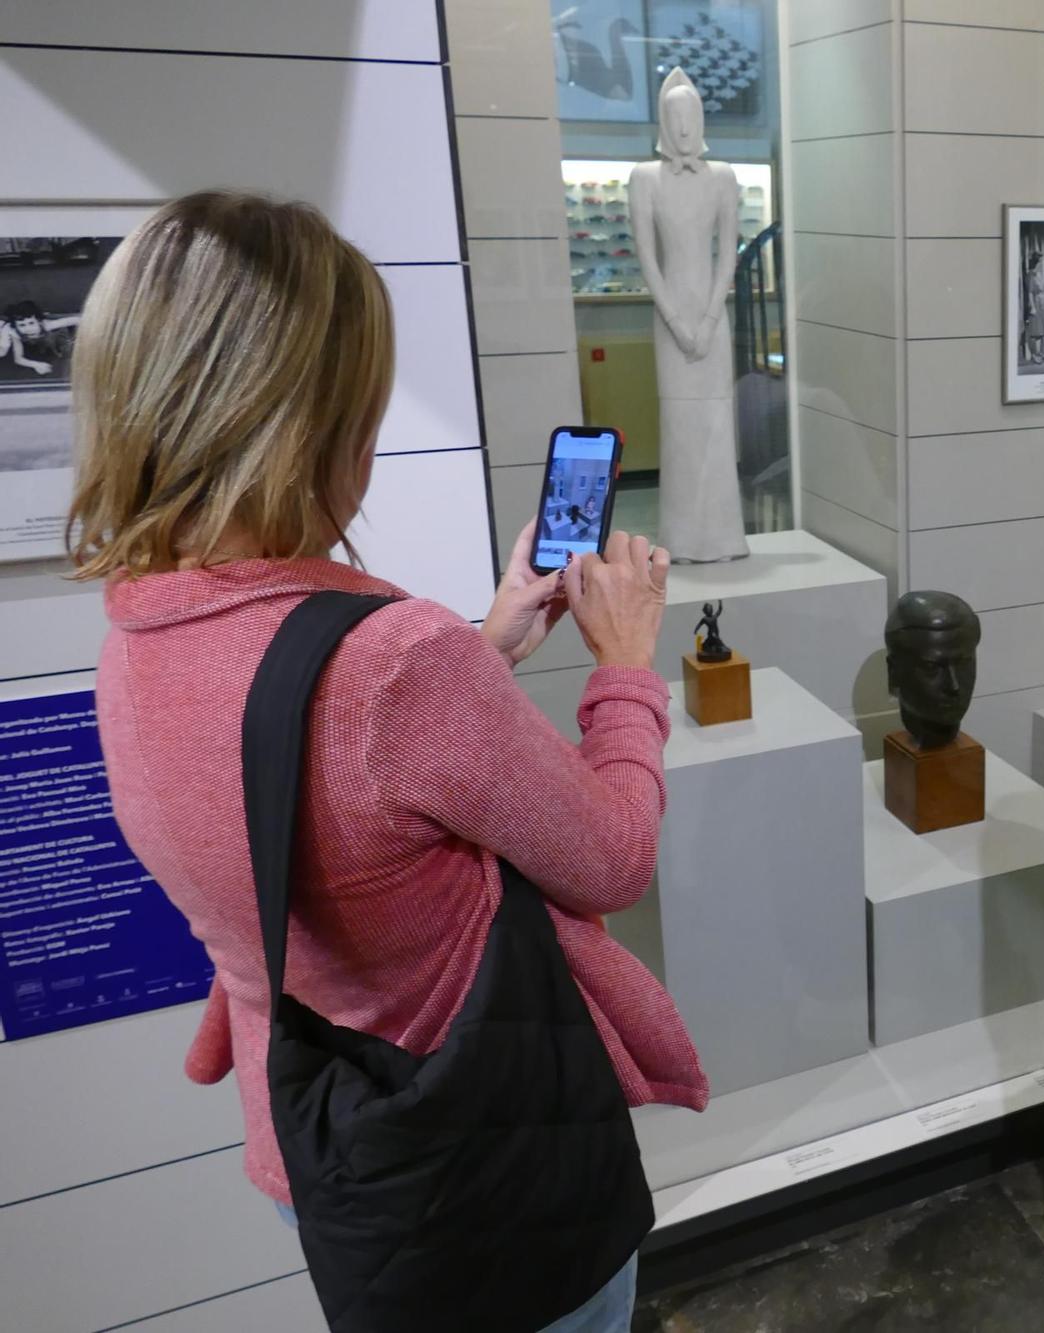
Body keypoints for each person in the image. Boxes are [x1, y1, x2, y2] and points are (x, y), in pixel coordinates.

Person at [68, 191, 708, 1332]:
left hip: (326, 1150)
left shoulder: (138, 638)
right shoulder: (395, 663)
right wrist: (623, 664)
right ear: (312, 424)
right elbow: (611, 856)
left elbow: (316, 762)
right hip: (487, 1167)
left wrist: (493, 637)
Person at [1022, 251, 1044, 364]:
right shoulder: (1030, 275)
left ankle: (1042, 353)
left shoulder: (1039, 275)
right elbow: (1030, 293)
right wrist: (1032, 307)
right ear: (1037, 263)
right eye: (1042, 262)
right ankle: (1034, 355)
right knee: (1035, 332)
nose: (1043, 264)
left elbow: (1042, 289)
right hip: (1036, 304)